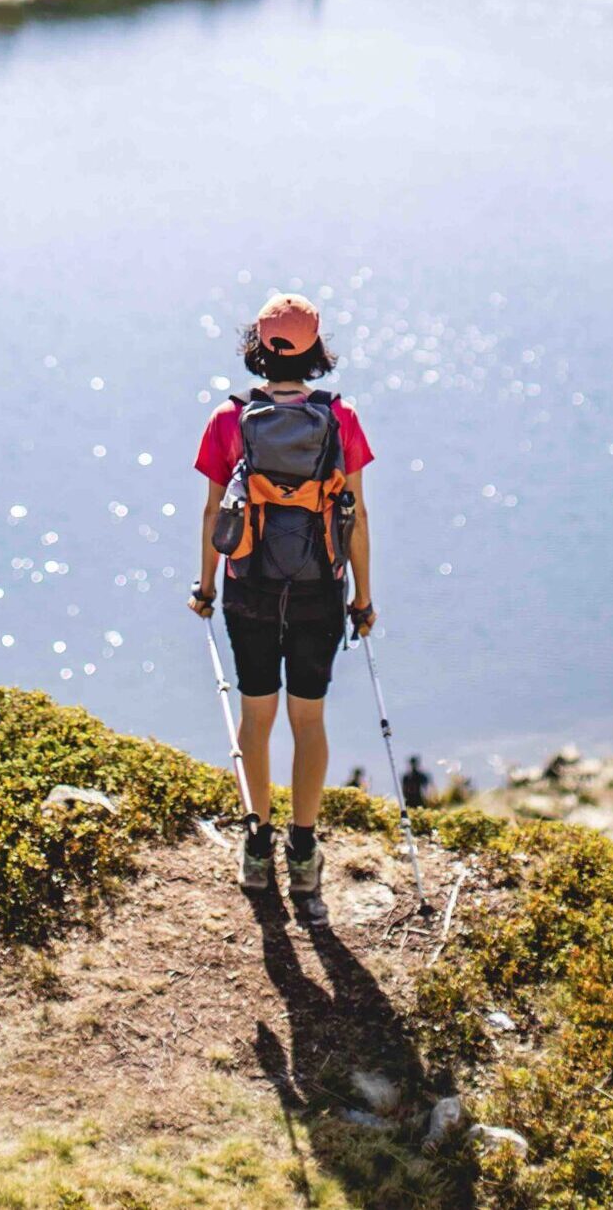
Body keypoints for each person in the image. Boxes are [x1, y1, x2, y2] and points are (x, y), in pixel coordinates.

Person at [190, 293, 375, 904]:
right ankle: (302, 849)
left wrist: (207, 586)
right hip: (321, 587)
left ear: (257, 348)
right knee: (309, 720)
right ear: (316, 350)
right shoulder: (340, 417)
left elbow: (216, 511)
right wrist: (363, 600)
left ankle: (255, 843)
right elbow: (357, 515)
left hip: (250, 588)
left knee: (256, 719)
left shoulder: (228, 419)